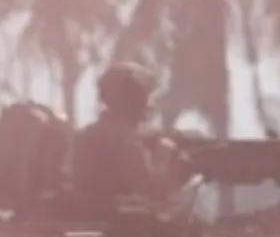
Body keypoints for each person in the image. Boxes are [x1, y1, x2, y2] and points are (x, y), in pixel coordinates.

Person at [69, 62, 193, 206]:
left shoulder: (84, 136)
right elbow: (146, 190)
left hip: (92, 216)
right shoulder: (126, 139)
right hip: (125, 223)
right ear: (134, 98)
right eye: (145, 96)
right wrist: (166, 160)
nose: (149, 104)